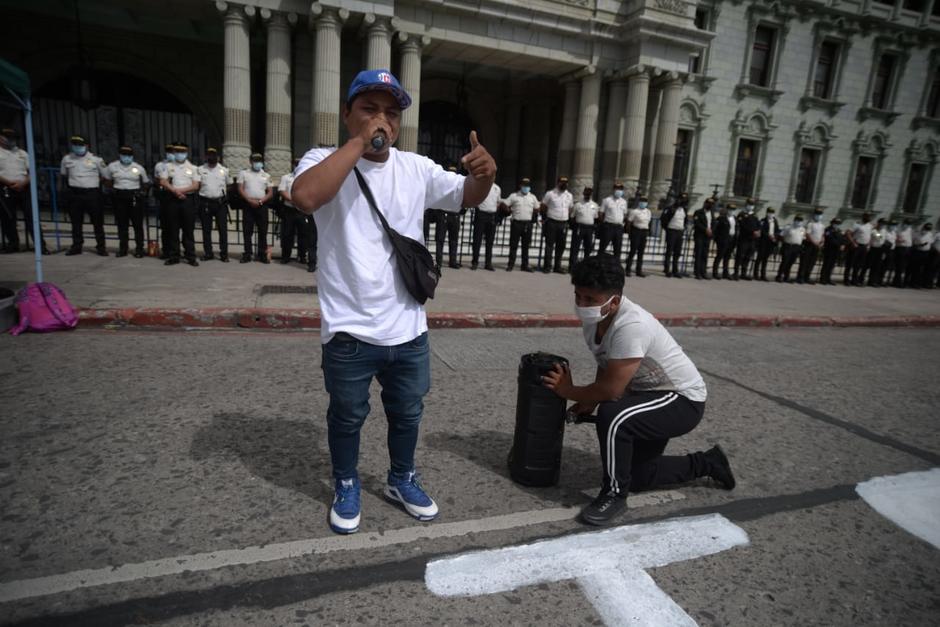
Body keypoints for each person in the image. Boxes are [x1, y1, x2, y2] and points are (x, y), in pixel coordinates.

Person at [289, 68, 496, 534]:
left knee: (408, 411)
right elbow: (304, 197)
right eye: (369, 109)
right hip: (348, 330)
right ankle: (346, 481)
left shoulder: (416, 168)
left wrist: (485, 174)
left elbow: (466, 195)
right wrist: (359, 145)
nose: (381, 120)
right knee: (347, 414)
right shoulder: (322, 159)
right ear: (347, 114)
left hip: (408, 328)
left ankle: (401, 478)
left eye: (390, 112)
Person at [541, 253, 735, 526]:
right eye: (578, 296)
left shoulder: (632, 325)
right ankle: (708, 463)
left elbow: (610, 390)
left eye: (590, 300)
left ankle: (614, 495)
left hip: (681, 400)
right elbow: (608, 364)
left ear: (615, 301)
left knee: (614, 416)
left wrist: (569, 391)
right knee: (639, 476)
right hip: (648, 395)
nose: (581, 305)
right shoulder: (596, 320)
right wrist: (589, 401)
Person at [0, 128, 48, 254]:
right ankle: (13, 244)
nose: (10, 140)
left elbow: (32, 171)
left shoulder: (22, 153)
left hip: (24, 188)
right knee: (8, 218)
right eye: (7, 137)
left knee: (32, 218)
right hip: (5, 188)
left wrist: (23, 183)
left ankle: (40, 246)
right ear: (1, 138)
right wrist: (9, 182)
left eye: (13, 137)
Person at [60, 135, 108, 256]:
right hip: (75, 193)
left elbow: (105, 175)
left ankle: (101, 247)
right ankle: (77, 246)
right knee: (76, 222)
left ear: (87, 146)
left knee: (97, 222)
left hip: (92, 193)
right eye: (75, 144)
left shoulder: (96, 160)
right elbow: (64, 174)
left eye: (80, 145)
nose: (77, 147)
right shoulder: (67, 159)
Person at [103, 146, 150, 258]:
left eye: (129, 155)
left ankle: (139, 249)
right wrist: (112, 190)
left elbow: (146, 183)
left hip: (134, 197)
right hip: (119, 197)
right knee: (122, 225)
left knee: (137, 225)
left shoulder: (138, 168)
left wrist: (142, 193)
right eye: (124, 154)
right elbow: (106, 180)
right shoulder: (112, 166)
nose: (126, 157)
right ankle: (123, 249)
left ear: (132, 156)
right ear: (119, 155)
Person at [279, 158, 315, 271]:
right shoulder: (286, 177)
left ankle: (302, 256)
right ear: (293, 165)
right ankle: (286, 256)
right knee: (287, 234)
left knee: (303, 235)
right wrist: (294, 200)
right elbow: (282, 190)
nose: (298, 165)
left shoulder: (308, 178)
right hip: (289, 209)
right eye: (296, 164)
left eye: (300, 164)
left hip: (302, 211)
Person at [195, 147, 231, 262]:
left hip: (220, 203)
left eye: (214, 155)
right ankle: (208, 253)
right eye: (209, 155)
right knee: (206, 230)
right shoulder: (200, 169)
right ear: (206, 157)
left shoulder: (224, 170)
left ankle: (224, 254)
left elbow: (228, 185)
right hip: (205, 202)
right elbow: (197, 185)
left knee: (223, 230)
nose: (212, 157)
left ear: (218, 157)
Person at [238, 152, 273, 264]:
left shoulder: (266, 175)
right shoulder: (244, 173)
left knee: (263, 231)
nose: (257, 163)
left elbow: (270, 192)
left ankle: (262, 254)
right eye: (255, 160)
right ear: (250, 161)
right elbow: (240, 189)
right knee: (247, 231)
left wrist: (261, 201)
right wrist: (249, 200)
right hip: (248, 204)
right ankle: (247, 254)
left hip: (261, 205)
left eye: (259, 161)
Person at [501, 177, 539, 272]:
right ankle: (511, 264)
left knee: (525, 246)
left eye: (527, 185)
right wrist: (508, 210)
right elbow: (504, 204)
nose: (526, 187)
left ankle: (524, 265)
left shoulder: (533, 197)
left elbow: (537, 208)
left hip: (527, 224)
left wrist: (533, 215)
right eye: (524, 185)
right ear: (520, 185)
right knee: (513, 245)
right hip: (516, 223)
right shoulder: (514, 196)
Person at [540, 176, 574, 273]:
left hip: (563, 223)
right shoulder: (550, 194)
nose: (564, 184)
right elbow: (543, 206)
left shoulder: (569, 195)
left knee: (561, 246)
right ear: (558, 183)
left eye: (566, 182)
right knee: (549, 245)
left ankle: (557, 266)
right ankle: (547, 266)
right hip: (552, 222)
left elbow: (570, 208)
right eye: (562, 182)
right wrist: (544, 218)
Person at [470, 178, 499, 271]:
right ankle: (475, 262)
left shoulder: (497, 188)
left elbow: (497, 203)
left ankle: (488, 263)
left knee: (490, 242)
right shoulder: (480, 185)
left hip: (492, 216)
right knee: (477, 240)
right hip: (481, 215)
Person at [154, 142, 176, 260]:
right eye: (169, 151)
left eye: (172, 151)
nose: (170, 154)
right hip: (165, 197)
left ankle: (176, 250)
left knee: (176, 226)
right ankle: (166, 250)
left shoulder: (180, 166)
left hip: (176, 196)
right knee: (165, 226)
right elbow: (157, 180)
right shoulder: (159, 166)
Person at [659, 193, 688, 278]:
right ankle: (667, 269)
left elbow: (685, 220)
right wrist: (667, 229)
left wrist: (683, 228)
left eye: (684, 200)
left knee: (677, 252)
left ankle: (675, 270)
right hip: (671, 231)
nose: (683, 201)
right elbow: (663, 219)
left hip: (679, 232)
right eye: (681, 199)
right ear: (677, 199)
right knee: (669, 251)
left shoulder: (684, 209)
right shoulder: (670, 208)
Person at [569, 185, 598, 270]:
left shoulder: (594, 205)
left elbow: (596, 218)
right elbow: (572, 217)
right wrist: (574, 227)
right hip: (579, 228)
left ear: (591, 193)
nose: (588, 193)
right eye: (586, 192)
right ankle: (572, 266)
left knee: (588, 248)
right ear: (583, 193)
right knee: (575, 247)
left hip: (589, 229)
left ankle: (585, 267)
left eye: (590, 192)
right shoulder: (578, 204)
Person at [597, 182, 627, 260]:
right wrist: (604, 224)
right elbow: (601, 213)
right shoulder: (607, 200)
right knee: (602, 247)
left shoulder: (624, 202)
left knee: (617, 249)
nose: (619, 190)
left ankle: (616, 268)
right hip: (608, 227)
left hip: (619, 228)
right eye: (617, 189)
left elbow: (624, 214)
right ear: (613, 189)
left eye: (620, 189)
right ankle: (598, 265)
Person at [733, 198, 760, 281]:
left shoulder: (755, 215)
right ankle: (736, 273)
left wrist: (758, 231)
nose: (751, 206)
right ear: (746, 204)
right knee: (740, 256)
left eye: (752, 204)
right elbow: (742, 226)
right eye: (749, 204)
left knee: (748, 256)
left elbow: (758, 225)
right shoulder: (741, 214)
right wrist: (753, 232)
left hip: (752, 240)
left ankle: (743, 273)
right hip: (743, 239)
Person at [624, 195, 651, 277]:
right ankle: (628, 269)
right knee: (633, 251)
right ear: (639, 202)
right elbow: (629, 223)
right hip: (636, 231)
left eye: (645, 201)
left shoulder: (648, 211)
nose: (643, 203)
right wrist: (630, 233)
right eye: (642, 201)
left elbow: (648, 222)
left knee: (641, 252)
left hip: (644, 232)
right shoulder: (634, 211)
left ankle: (638, 270)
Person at [797, 208, 825, 285]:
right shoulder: (810, 224)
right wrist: (814, 243)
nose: (819, 216)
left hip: (817, 246)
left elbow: (822, 235)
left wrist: (822, 241)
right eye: (817, 214)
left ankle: (807, 277)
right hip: (809, 245)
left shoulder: (822, 225)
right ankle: (800, 277)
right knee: (804, 262)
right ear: (814, 215)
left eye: (820, 214)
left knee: (812, 262)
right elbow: (807, 234)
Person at [843, 212, 873, 286]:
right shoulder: (857, 224)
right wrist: (853, 242)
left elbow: (870, 236)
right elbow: (848, 233)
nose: (868, 218)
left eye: (869, 216)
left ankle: (854, 280)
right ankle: (846, 280)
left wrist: (868, 245)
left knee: (858, 265)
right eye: (866, 216)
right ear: (863, 217)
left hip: (864, 247)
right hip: (856, 246)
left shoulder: (870, 226)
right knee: (850, 263)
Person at [776, 214, 805, 283]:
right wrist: (783, 244)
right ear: (794, 220)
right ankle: (779, 276)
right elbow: (781, 235)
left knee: (791, 262)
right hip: (788, 246)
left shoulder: (802, 229)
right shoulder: (788, 227)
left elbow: (803, 238)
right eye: (797, 220)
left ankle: (786, 277)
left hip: (796, 247)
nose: (799, 222)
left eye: (800, 221)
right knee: (785, 261)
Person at [691, 198, 713, 280]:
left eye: (711, 204)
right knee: (699, 254)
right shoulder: (698, 212)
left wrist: (711, 231)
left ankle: (703, 272)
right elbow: (697, 223)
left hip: (708, 236)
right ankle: (697, 272)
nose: (710, 205)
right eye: (708, 203)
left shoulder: (711, 213)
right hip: (700, 236)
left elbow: (713, 223)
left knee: (705, 254)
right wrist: (705, 230)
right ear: (705, 203)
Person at [755, 206, 779, 281]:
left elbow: (777, 230)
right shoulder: (763, 220)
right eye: (769, 212)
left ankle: (763, 274)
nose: (771, 214)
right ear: (767, 213)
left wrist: (775, 237)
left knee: (765, 259)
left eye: (772, 213)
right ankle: (756, 274)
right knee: (759, 258)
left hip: (770, 243)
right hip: (763, 242)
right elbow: (762, 230)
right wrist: (769, 236)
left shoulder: (775, 221)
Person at [819, 217, 845, 286]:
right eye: (836, 223)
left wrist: (842, 244)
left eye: (838, 223)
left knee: (832, 265)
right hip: (829, 249)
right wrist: (838, 244)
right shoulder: (828, 229)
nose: (837, 224)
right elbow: (829, 239)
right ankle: (823, 279)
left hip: (836, 250)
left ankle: (828, 278)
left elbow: (842, 239)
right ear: (832, 223)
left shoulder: (839, 231)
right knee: (826, 264)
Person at [712, 203, 734, 280]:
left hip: (731, 239)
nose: (731, 211)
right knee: (719, 255)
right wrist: (717, 239)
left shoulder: (734, 218)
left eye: (733, 210)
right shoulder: (721, 218)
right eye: (730, 209)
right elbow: (716, 230)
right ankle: (715, 272)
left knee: (727, 257)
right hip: (723, 240)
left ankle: (725, 272)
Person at [910, 223, 935, 289]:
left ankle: (919, 283)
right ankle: (913, 283)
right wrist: (918, 245)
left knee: (922, 269)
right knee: (916, 269)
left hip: (926, 253)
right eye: (926, 229)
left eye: (928, 229)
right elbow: (913, 242)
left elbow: (931, 243)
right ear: (923, 227)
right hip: (918, 252)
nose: (926, 230)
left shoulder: (930, 234)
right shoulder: (917, 233)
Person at [865, 218, 888, 287]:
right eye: (882, 223)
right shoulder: (874, 230)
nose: (883, 225)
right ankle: (861, 279)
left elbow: (884, 240)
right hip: (873, 249)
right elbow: (879, 237)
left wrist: (884, 251)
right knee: (868, 265)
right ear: (879, 223)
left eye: (884, 224)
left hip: (880, 250)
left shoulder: (884, 231)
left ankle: (872, 281)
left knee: (877, 266)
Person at [892, 218, 913, 288]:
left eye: (909, 224)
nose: (907, 225)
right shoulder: (898, 229)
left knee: (904, 266)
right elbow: (894, 237)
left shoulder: (910, 229)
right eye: (906, 223)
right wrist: (898, 240)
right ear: (903, 223)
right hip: (900, 248)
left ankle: (897, 281)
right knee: (899, 266)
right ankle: (898, 282)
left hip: (908, 249)